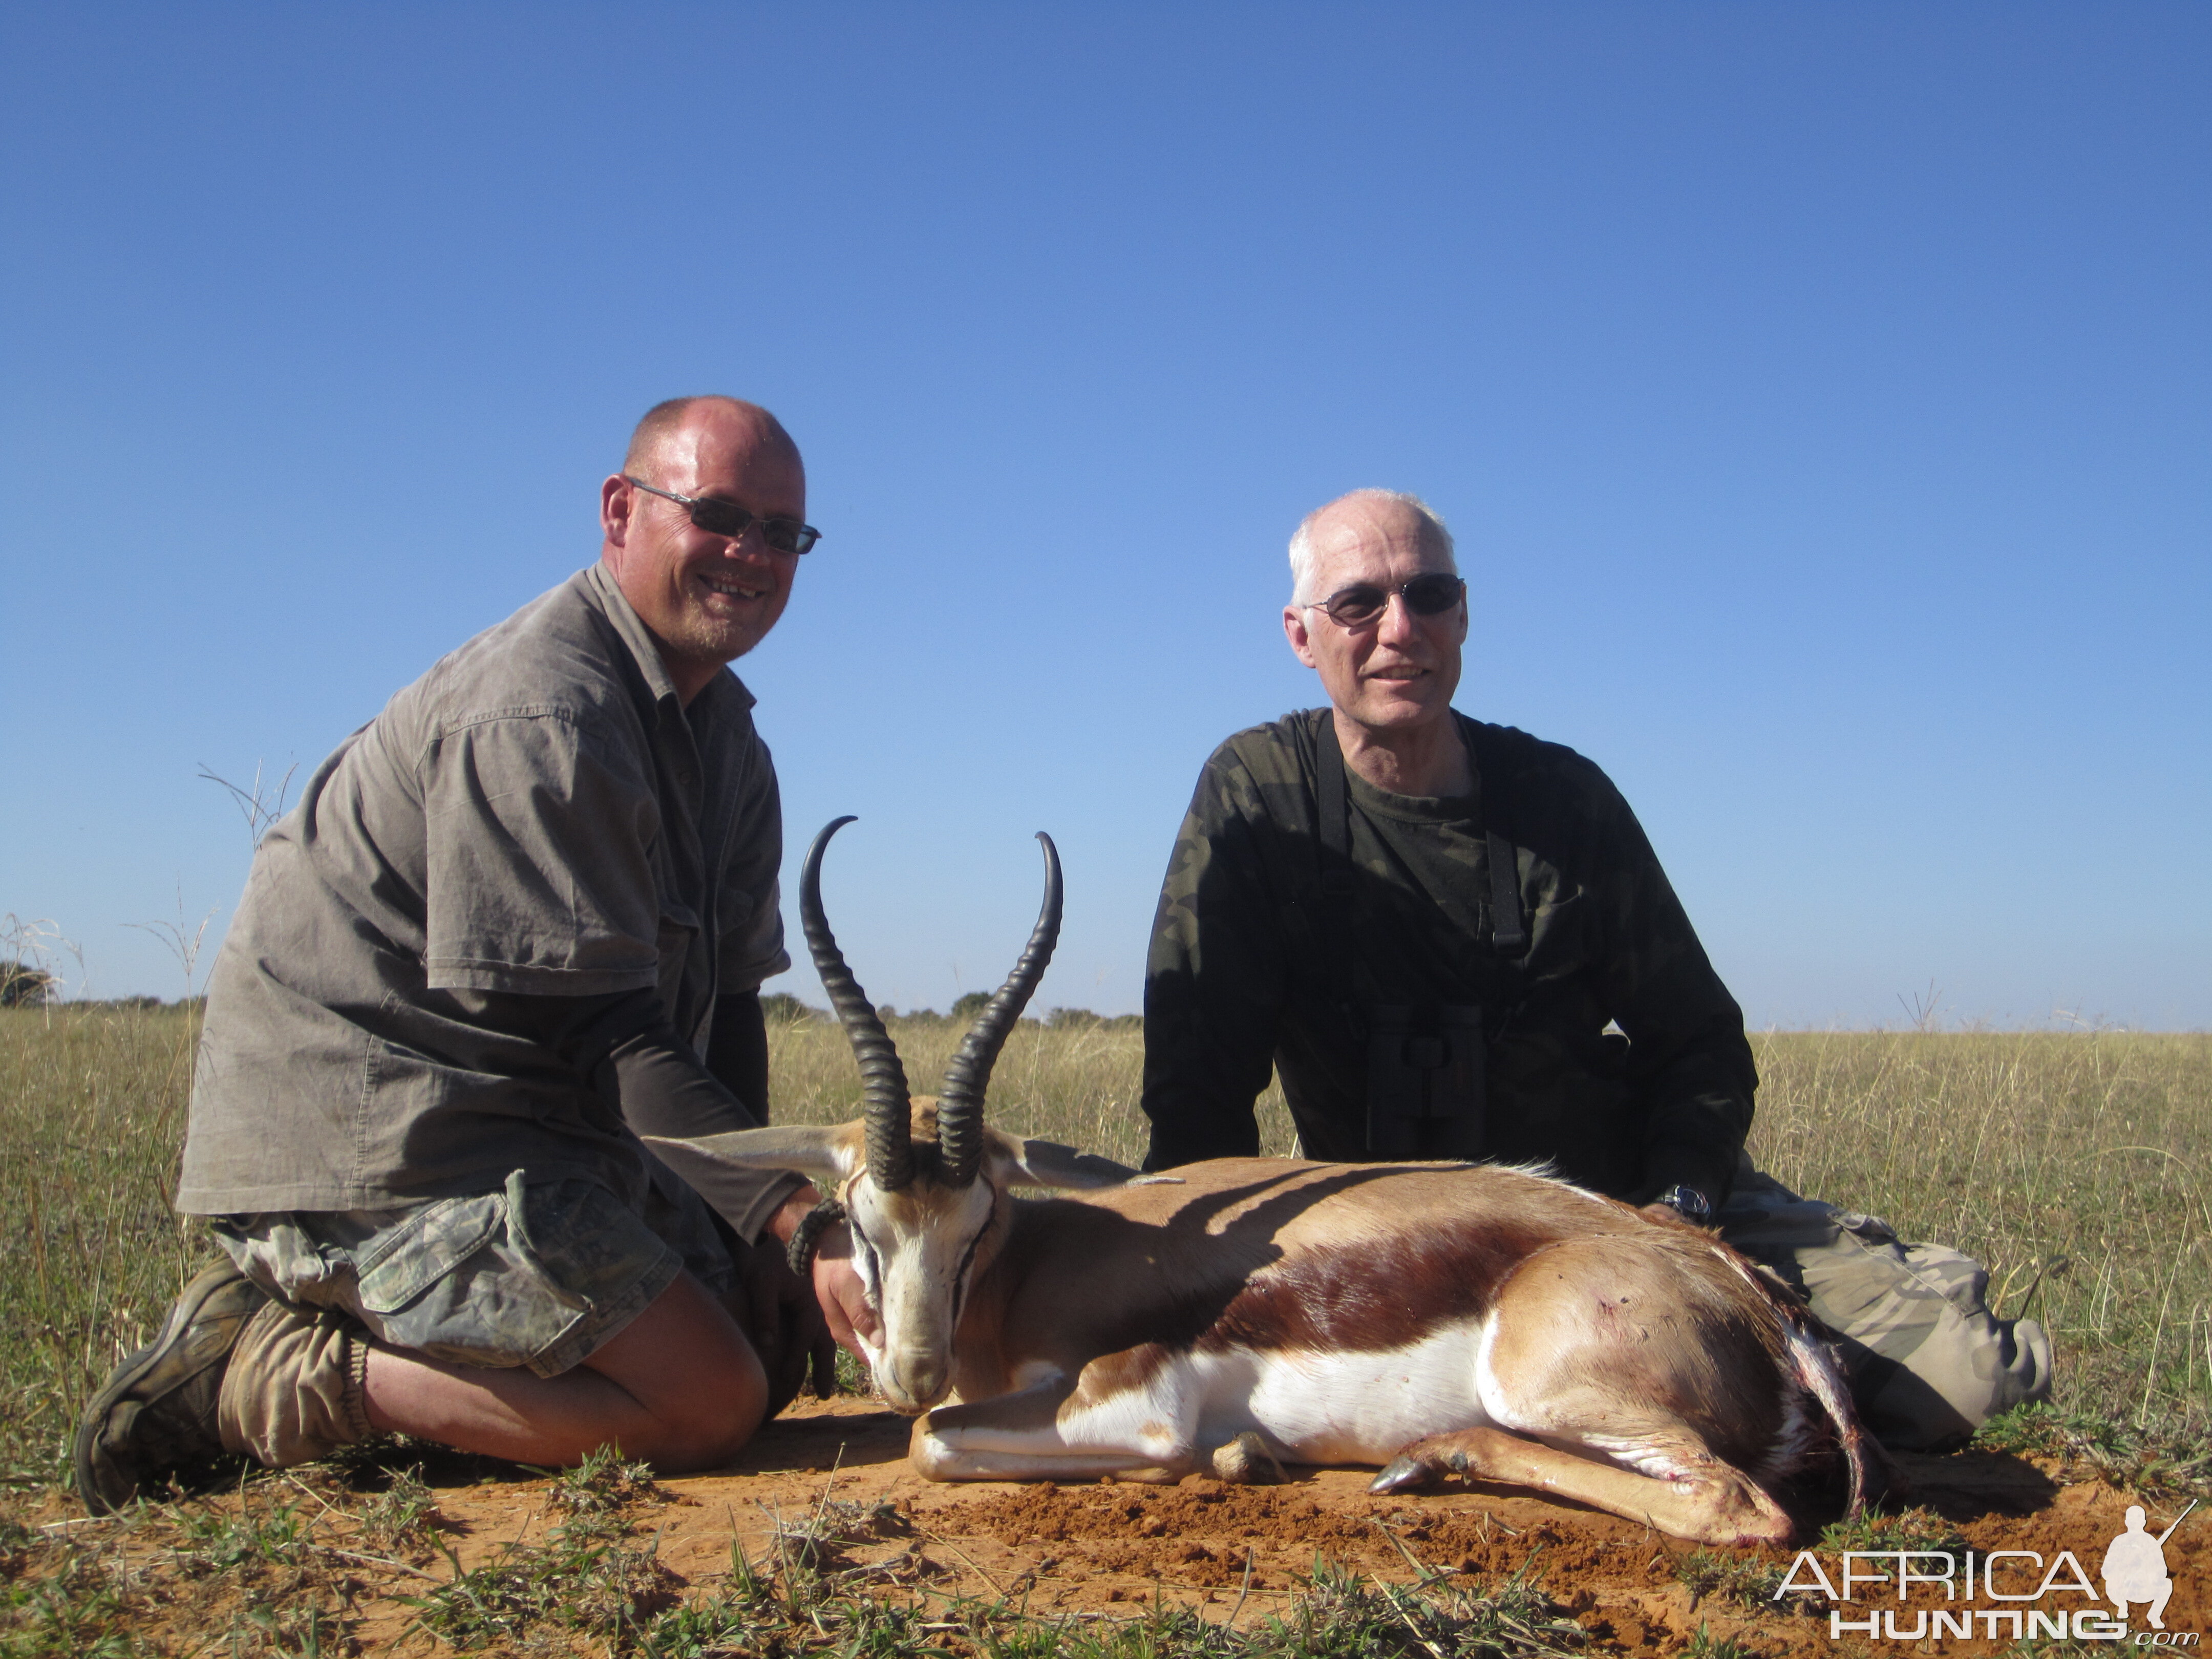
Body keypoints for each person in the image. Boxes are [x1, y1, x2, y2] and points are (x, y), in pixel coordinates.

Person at [77, 396, 874, 1513]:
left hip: (538, 1130)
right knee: (708, 1401)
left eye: (782, 532)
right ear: (620, 509)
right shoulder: (546, 710)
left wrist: (751, 1229)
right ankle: (270, 1371)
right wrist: (795, 1217)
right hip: (394, 1143)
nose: (751, 553)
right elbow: (605, 1035)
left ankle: (389, 1329)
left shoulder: (728, 738)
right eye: (719, 514)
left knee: (770, 1336)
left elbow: (729, 1001)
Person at [1139, 486, 2051, 1450]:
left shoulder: (1564, 800)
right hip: (1405, 1250)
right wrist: (1191, 1302)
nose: (1399, 629)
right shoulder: (1256, 799)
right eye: (1360, 603)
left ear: (1464, 615)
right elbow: (1197, 1102)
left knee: (1959, 1390)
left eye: (1430, 595)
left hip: (1629, 1217)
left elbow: (1699, 1044)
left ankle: (1897, 1272)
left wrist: (1679, 1213)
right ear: (1301, 633)